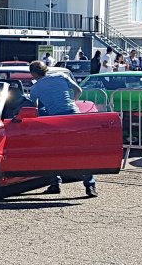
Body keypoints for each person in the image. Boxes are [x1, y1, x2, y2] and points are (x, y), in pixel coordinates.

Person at [27, 60, 97, 198]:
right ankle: (90, 185)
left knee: (53, 152)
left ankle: (55, 183)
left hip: (55, 121)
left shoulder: (35, 88)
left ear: (33, 74)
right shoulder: (61, 76)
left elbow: (33, 108)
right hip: (74, 116)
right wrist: (72, 102)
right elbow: (78, 90)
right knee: (81, 151)